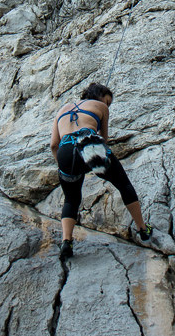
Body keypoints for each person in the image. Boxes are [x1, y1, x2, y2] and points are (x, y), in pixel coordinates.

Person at [50, 83, 151, 260]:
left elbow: (53, 145)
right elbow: (104, 138)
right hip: (89, 143)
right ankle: (142, 228)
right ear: (100, 95)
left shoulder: (62, 109)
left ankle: (67, 241)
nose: (108, 104)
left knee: (71, 198)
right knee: (123, 183)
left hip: (65, 151)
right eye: (107, 101)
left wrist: (63, 166)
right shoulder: (100, 107)